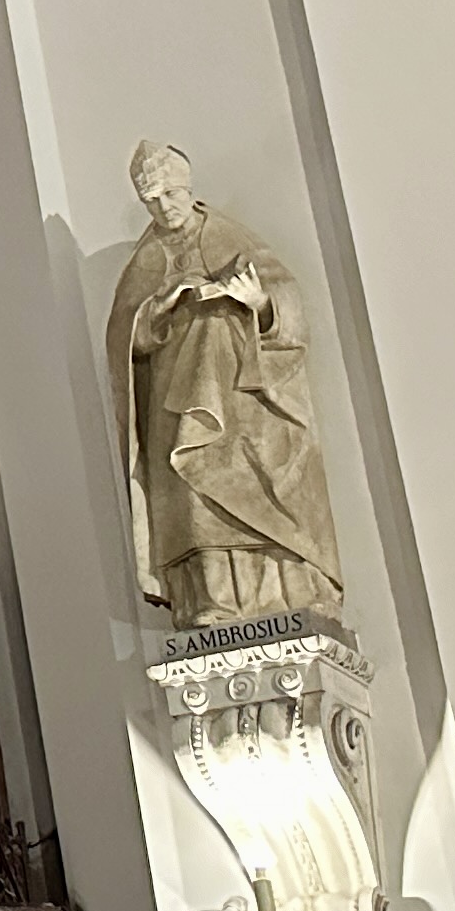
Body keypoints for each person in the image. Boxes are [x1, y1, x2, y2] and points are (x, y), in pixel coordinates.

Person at [106, 141, 344, 627]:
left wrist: (258, 302)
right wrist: (157, 310)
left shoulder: (228, 236)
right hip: (176, 400)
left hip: (242, 399)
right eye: (151, 199)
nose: (163, 207)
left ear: (188, 187)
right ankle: (213, 600)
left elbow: (284, 299)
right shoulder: (146, 259)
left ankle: (290, 590)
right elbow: (124, 339)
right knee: (195, 494)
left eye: (171, 193)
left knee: (260, 478)